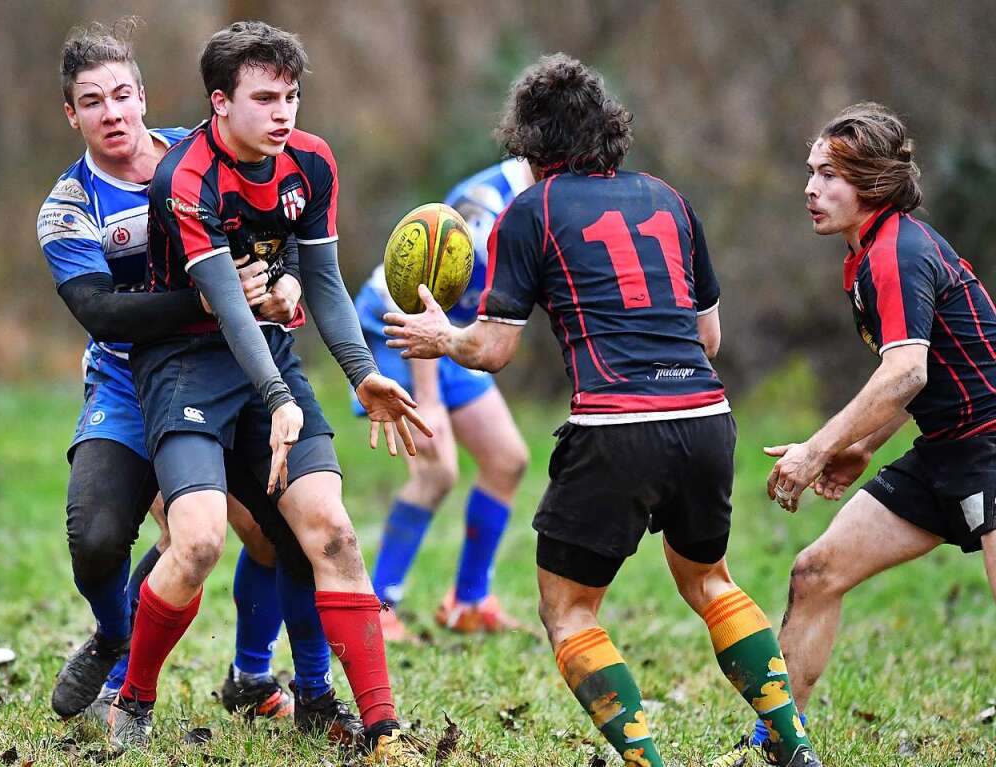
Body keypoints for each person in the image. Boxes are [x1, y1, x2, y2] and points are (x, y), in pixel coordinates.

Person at [384, 53, 822, 767]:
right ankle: (794, 745)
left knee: (570, 610)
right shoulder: (669, 199)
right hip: (707, 419)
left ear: (529, 146)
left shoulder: (532, 211)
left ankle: (646, 760)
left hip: (616, 430)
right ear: (607, 132)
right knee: (711, 580)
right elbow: (708, 337)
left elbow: (493, 352)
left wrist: (440, 336)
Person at [38, 20, 360, 743]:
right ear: (72, 114)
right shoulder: (67, 206)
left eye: (122, 95)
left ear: (145, 96)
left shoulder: (205, 155)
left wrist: (278, 289)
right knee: (95, 538)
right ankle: (113, 637)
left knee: (267, 533)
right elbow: (99, 312)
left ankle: (257, 677)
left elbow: (274, 251)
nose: (113, 113)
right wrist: (213, 296)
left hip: (229, 372)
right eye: (93, 102)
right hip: (127, 384)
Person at [114, 21, 429, 759]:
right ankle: (134, 696)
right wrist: (280, 399)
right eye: (264, 98)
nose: (283, 112)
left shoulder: (312, 163)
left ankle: (381, 730)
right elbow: (228, 305)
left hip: (270, 361)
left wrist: (362, 370)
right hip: (184, 367)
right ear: (220, 103)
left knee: (332, 530)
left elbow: (320, 280)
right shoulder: (185, 177)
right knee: (195, 542)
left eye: (290, 95)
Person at [720, 102, 996, 766]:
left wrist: (816, 449)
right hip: (946, 450)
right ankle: (780, 741)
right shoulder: (868, 254)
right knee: (816, 572)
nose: (811, 189)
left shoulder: (897, 251)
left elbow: (905, 371)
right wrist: (865, 444)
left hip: (991, 443)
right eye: (810, 171)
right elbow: (922, 370)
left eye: (830, 175)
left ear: (872, 184)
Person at [354, 160, 532, 641]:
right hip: (399, 325)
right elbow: (422, 299)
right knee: (437, 469)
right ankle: (377, 605)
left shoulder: (552, 201)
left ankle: (468, 602)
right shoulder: (484, 206)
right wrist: (428, 400)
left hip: (451, 334)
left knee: (507, 460)